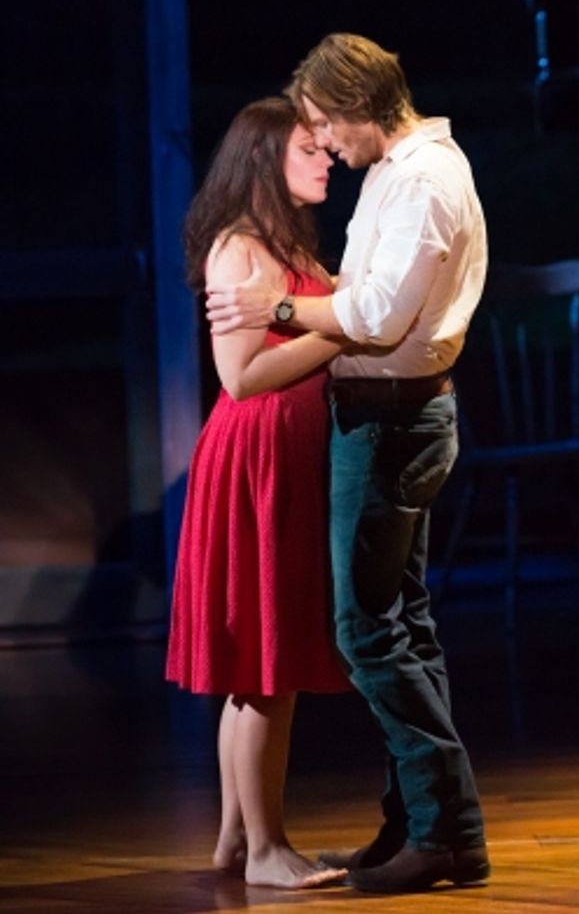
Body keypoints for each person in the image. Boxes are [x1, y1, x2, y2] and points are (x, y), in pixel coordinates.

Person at [205, 33, 490, 895]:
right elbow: (261, 363)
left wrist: (283, 302)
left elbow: (376, 315)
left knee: (370, 633)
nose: (327, 141)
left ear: (362, 106)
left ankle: (446, 829)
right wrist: (299, 301)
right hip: (377, 419)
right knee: (393, 626)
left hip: (394, 421)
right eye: (309, 134)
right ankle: (420, 820)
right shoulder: (396, 179)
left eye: (328, 124)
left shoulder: (423, 182)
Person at [165, 96, 348, 890]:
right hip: (256, 461)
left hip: (285, 455)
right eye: (310, 149)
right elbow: (241, 377)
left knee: (264, 664)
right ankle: (269, 851)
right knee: (263, 668)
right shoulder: (240, 250)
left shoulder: (284, 241)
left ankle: (237, 839)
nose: (327, 159)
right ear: (266, 160)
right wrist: (335, 330)